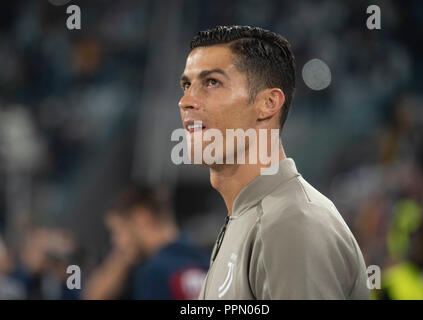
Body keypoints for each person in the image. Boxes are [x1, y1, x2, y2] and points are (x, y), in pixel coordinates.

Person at [177, 25, 370, 299]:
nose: (186, 101)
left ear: (268, 103)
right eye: (187, 85)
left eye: (212, 82)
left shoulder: (291, 224)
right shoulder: (250, 217)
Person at [83, 185, 209, 300]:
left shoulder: (153, 272)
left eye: (118, 231)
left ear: (141, 217)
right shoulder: (207, 260)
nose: (115, 241)